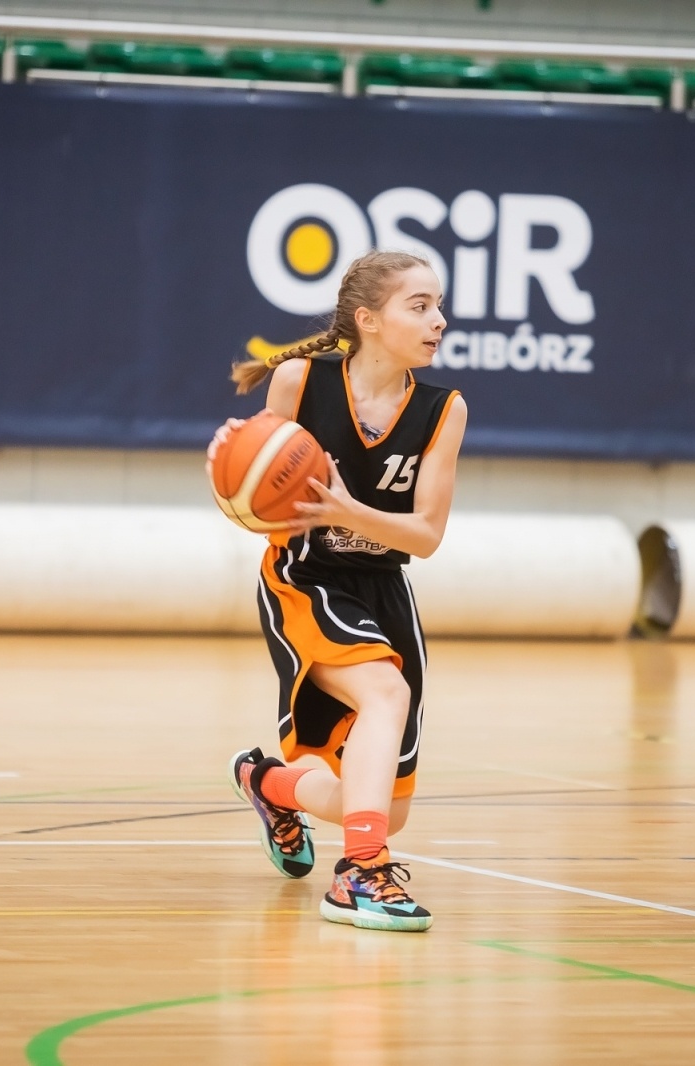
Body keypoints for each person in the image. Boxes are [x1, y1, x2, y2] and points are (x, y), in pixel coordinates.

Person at [208, 250, 467, 932]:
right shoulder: (299, 381)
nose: (438, 320)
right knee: (386, 692)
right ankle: (359, 874)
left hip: (384, 589)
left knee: (387, 805)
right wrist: (235, 466)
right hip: (303, 577)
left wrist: (352, 512)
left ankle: (267, 783)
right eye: (420, 306)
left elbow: (426, 535)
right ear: (368, 320)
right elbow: (261, 495)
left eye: (439, 306)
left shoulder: (444, 409)